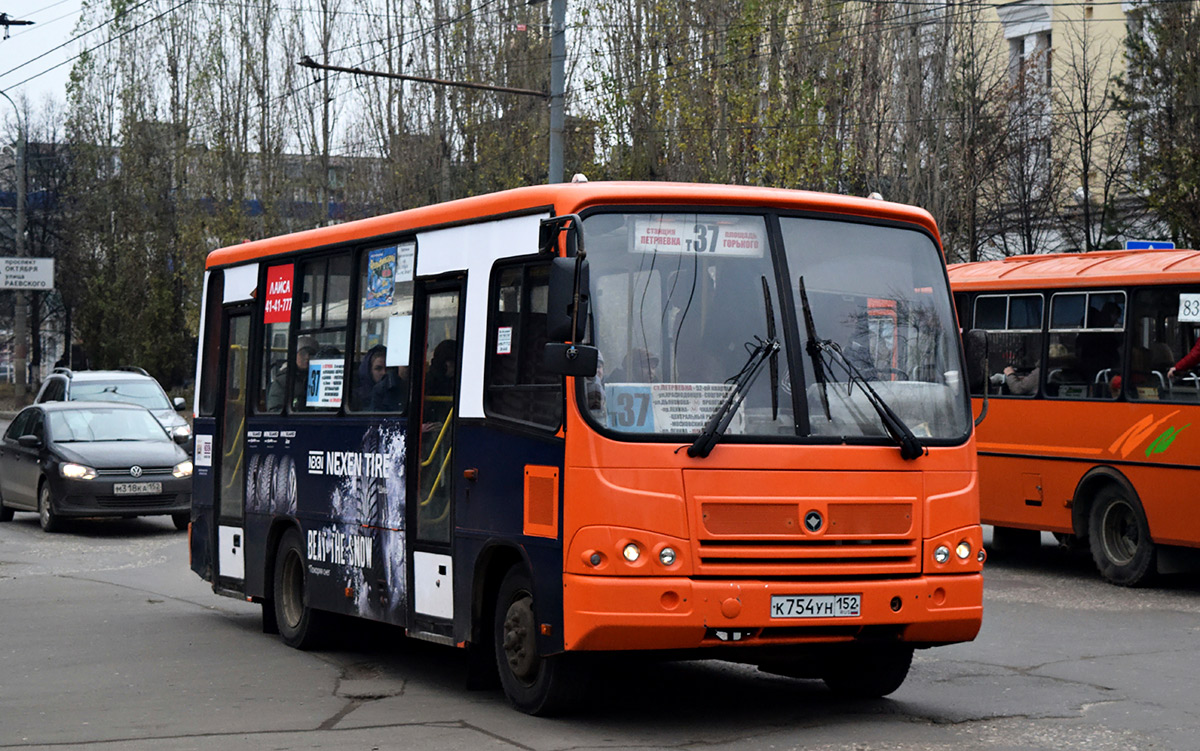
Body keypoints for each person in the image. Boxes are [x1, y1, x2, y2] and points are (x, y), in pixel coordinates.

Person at [267, 335, 317, 411]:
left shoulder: (322, 378)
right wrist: (295, 412)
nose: (307, 357)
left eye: (311, 354)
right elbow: (274, 410)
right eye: (302, 353)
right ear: (294, 356)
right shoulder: (283, 381)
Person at [355, 345, 408, 412]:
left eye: (388, 368)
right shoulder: (355, 398)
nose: (384, 373)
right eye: (378, 368)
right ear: (369, 371)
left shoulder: (397, 391)